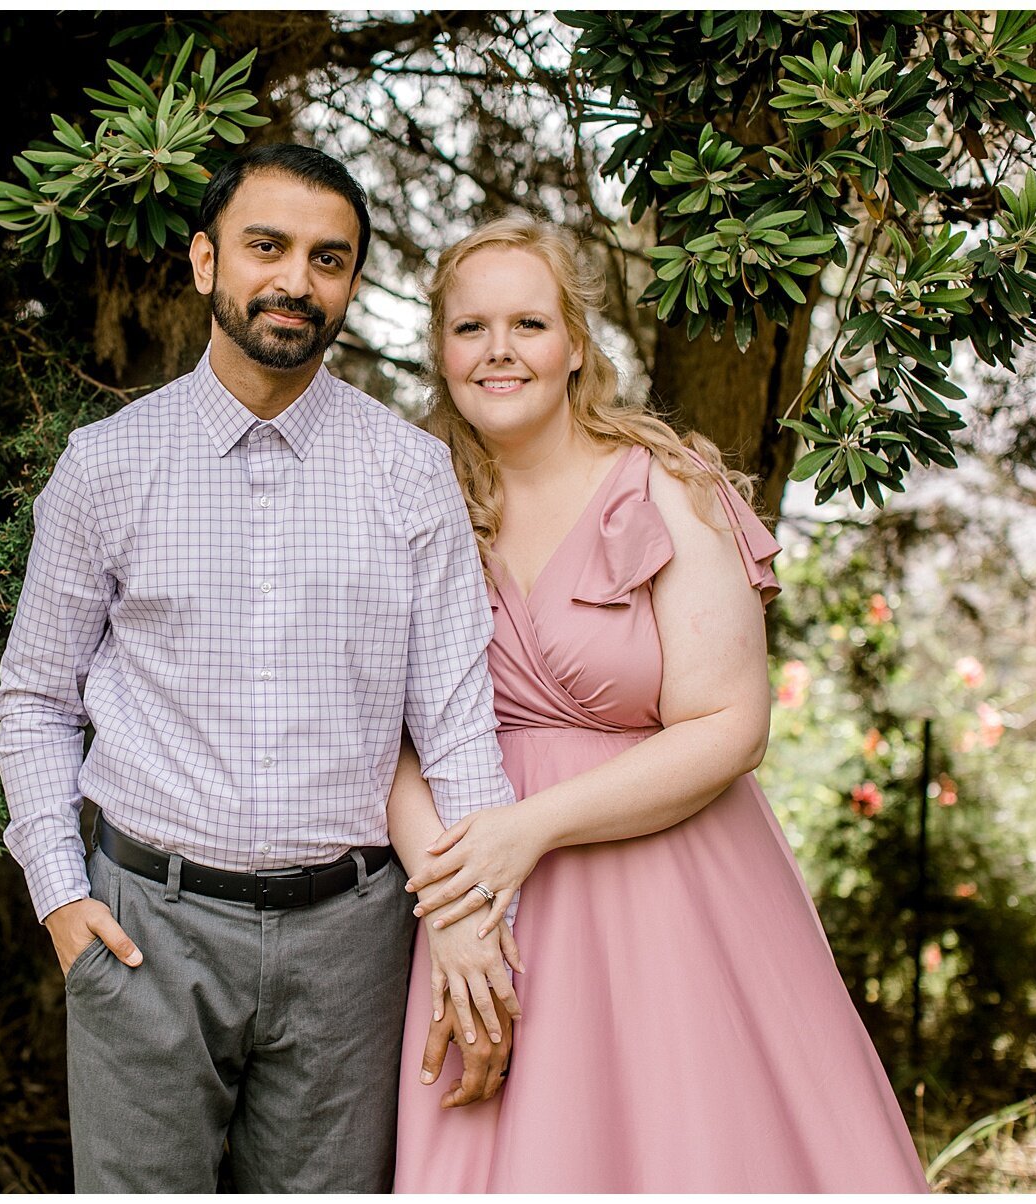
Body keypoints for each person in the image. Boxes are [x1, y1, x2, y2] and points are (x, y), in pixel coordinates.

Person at [0, 144, 521, 1194]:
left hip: (356, 944)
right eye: (266, 247)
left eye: (330, 259)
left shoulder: (411, 474)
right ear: (204, 261)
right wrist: (61, 896)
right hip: (145, 930)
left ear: (353, 286)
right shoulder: (108, 466)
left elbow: (458, 730)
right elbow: (36, 701)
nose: (296, 281)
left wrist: (479, 932)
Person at [388, 215, 930, 1192]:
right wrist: (450, 907)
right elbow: (383, 738)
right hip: (480, 905)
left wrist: (531, 828)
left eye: (529, 323)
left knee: (694, 1145)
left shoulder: (665, 486)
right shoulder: (407, 500)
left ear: (576, 345)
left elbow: (733, 724)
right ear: (440, 348)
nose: (499, 351)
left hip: (673, 896)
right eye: (471, 328)